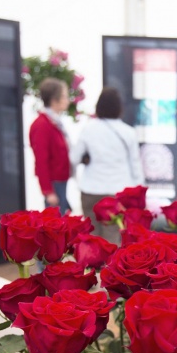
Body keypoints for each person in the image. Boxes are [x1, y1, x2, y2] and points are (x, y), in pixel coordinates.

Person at [71, 87, 145, 243]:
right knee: (112, 239)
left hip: (91, 190)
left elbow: (73, 158)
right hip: (117, 192)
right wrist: (140, 193)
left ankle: (93, 267)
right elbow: (136, 165)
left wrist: (86, 159)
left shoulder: (88, 129)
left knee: (92, 239)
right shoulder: (129, 132)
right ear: (119, 108)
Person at [29, 78, 71, 214]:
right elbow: (41, 160)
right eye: (64, 96)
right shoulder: (43, 125)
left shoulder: (54, 122)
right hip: (54, 183)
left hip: (61, 179)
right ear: (54, 100)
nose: (67, 100)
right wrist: (48, 191)